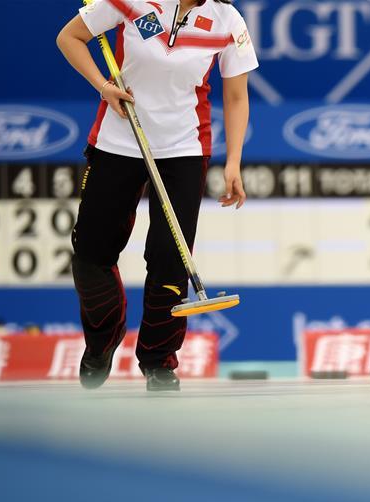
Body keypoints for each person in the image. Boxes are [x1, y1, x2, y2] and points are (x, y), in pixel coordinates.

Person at [57, 0, 257, 391]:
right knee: (91, 252)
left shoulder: (228, 20)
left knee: (170, 258)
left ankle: (158, 361)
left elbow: (236, 97)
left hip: (183, 148)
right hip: (118, 139)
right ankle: (102, 339)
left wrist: (233, 162)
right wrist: (104, 87)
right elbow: (70, 38)